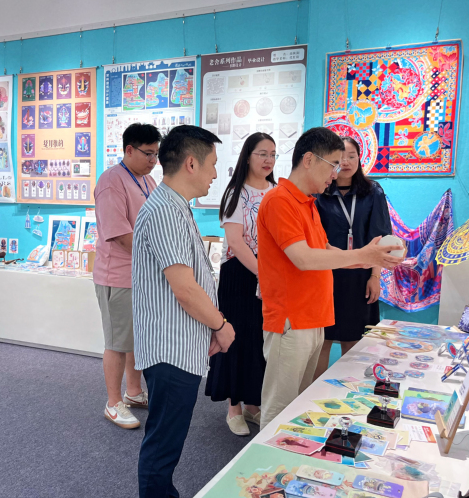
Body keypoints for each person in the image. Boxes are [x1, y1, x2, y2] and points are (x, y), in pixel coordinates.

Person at [256, 127, 404, 430]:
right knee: (279, 409)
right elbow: (304, 258)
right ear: (309, 160)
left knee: (300, 405)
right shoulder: (279, 200)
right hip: (291, 319)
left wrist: (369, 258)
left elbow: (324, 249)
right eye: (333, 164)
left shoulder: (307, 203)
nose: (336, 173)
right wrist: (363, 255)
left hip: (313, 318)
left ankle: (291, 455)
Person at [133, 125, 236, 498]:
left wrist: (208, 329)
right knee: (163, 444)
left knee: (168, 440)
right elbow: (185, 289)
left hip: (180, 346)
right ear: (191, 163)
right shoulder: (164, 211)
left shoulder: (175, 207)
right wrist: (220, 325)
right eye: (212, 164)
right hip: (169, 351)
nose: (215, 174)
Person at [205, 132, 276, 436]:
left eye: (273, 154)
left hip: (269, 273)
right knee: (236, 339)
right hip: (240, 273)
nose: (269, 160)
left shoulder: (276, 191)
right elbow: (235, 241)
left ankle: (253, 404)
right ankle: (233, 407)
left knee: (260, 341)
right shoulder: (236, 193)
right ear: (248, 156)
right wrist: (263, 273)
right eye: (262, 154)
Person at [93, 123, 160, 429]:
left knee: (136, 339)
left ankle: (133, 392)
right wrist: (158, 254)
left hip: (141, 275)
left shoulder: (147, 179)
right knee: (117, 342)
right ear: (129, 150)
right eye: (148, 154)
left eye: (156, 154)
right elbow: (120, 233)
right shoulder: (111, 181)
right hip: (118, 275)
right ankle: (113, 402)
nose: (153, 160)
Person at [313, 136, 393, 379]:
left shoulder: (373, 191)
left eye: (351, 156)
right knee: (322, 340)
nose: (346, 162)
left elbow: (381, 237)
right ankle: (312, 395)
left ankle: (348, 392)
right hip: (325, 274)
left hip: (360, 277)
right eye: (340, 158)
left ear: (360, 158)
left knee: (354, 340)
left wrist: (375, 277)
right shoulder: (320, 192)